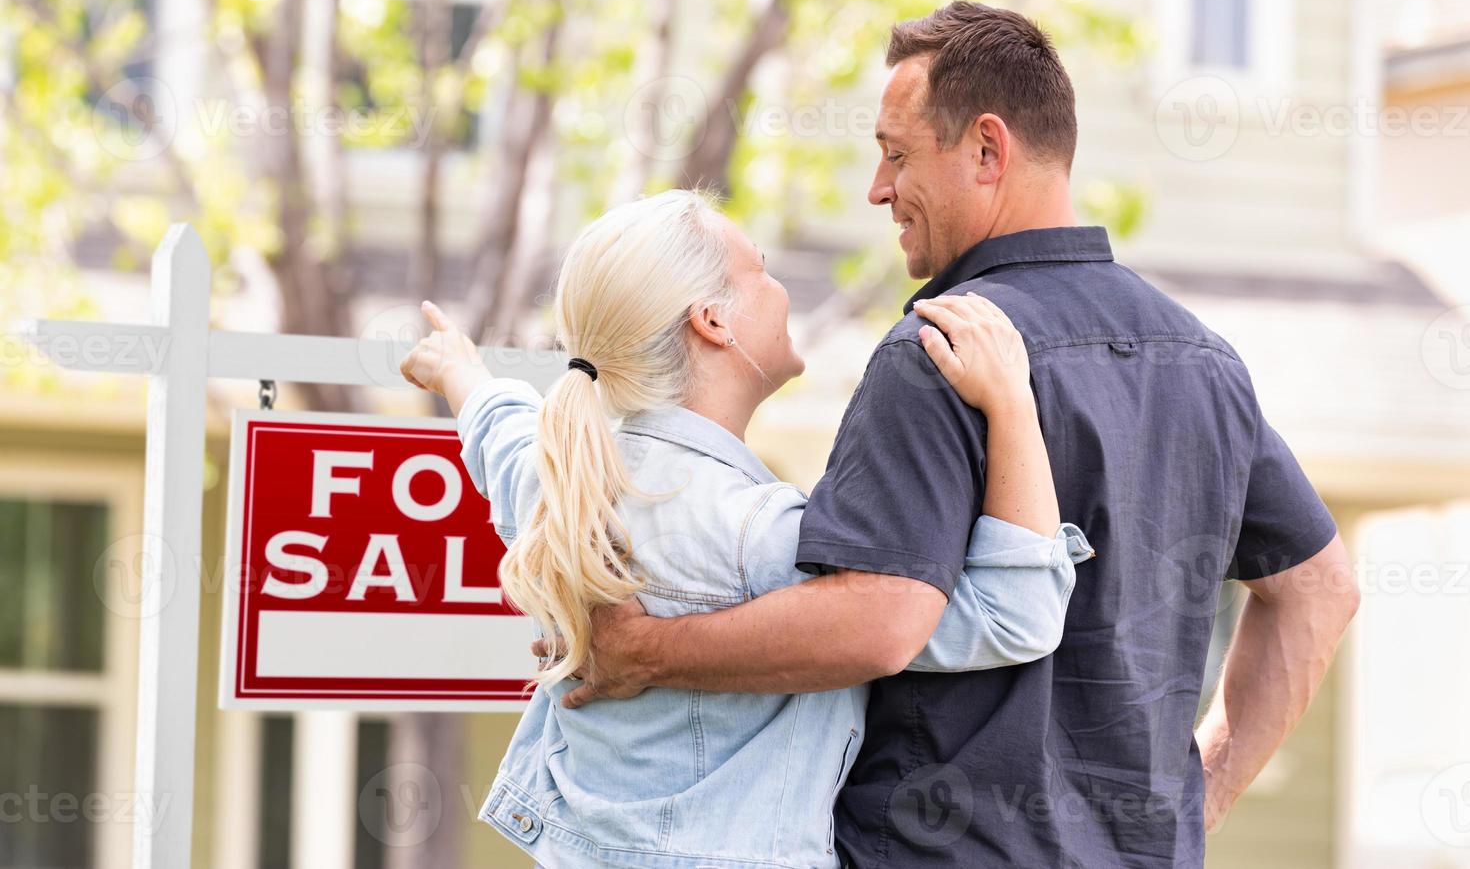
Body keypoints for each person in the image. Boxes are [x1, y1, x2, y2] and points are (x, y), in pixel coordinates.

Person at [548, 2, 1362, 867]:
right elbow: (1320, 590)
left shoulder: (935, 350)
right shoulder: (1203, 362)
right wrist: (1201, 798)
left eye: (896, 154)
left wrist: (646, 651)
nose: (878, 188)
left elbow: (874, 622)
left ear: (986, 149)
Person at [399, 189, 1094, 868]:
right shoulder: (758, 536)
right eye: (759, 268)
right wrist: (1009, 402)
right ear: (712, 320)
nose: (781, 287)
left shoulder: (560, 486)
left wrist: (461, 371)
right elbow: (1012, 613)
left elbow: (502, 431)